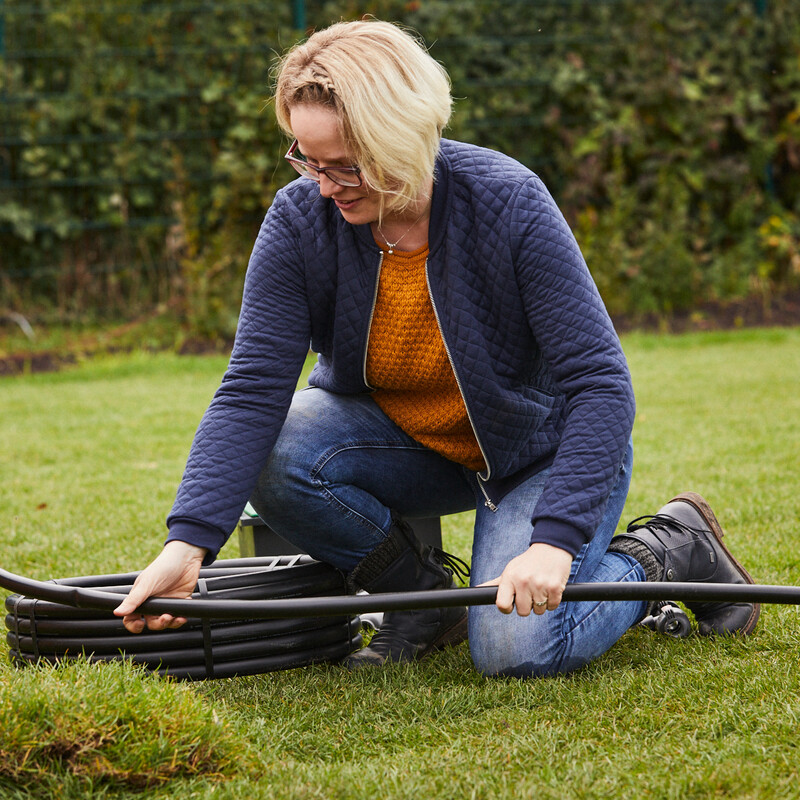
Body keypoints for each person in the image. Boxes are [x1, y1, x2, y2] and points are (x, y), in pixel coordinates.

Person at [114, 19, 759, 677]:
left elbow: (600, 384)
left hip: (535, 455)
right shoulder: (300, 220)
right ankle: (421, 599)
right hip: (409, 445)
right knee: (277, 448)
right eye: (305, 158)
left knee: (516, 652)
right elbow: (252, 388)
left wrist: (554, 543)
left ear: (400, 137)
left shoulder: (508, 202)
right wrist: (189, 543)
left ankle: (669, 549)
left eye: (344, 165)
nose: (323, 184)